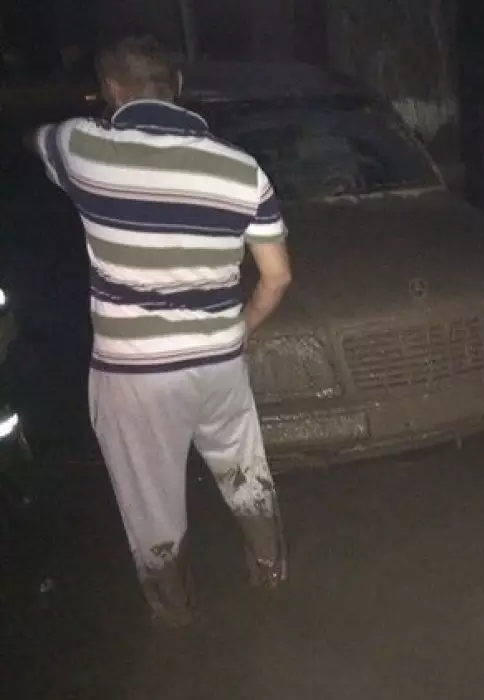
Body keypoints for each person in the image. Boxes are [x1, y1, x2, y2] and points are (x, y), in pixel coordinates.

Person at [24, 35, 293, 627]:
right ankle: (271, 573)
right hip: (220, 363)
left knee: (151, 500)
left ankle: (176, 617)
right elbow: (276, 278)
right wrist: (237, 327)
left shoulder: (82, 146)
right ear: (179, 87)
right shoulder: (242, 168)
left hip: (135, 373)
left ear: (110, 89)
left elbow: (32, 136)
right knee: (245, 470)